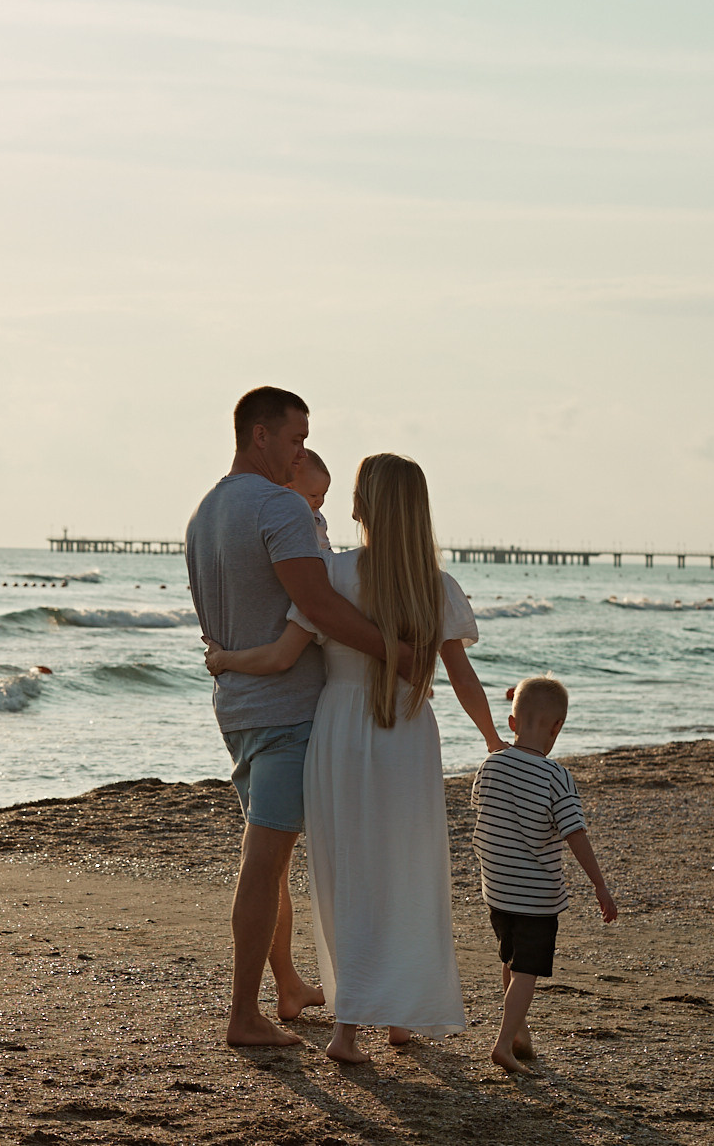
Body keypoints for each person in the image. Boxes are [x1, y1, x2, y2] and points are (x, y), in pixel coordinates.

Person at [205, 452, 506, 1063]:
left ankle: (348, 1029)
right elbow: (464, 677)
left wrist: (225, 660)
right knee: (405, 874)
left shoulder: (333, 576)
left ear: (359, 506)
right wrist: (493, 740)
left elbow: (284, 656)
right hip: (407, 737)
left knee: (348, 880)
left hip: (338, 733)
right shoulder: (435, 585)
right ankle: (398, 1017)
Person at [184, 388, 408, 1049]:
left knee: (273, 860)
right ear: (260, 434)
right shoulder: (280, 505)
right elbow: (321, 606)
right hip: (284, 713)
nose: (301, 452)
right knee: (264, 860)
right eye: (295, 438)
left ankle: (283, 984)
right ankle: (242, 1014)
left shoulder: (205, 511)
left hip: (238, 708)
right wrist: (398, 652)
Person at [471, 674, 618, 1074]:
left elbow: (481, 814)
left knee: (511, 959)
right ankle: (503, 1044)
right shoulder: (555, 776)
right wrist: (599, 885)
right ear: (558, 727)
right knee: (527, 970)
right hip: (535, 896)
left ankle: (517, 1033)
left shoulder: (491, 764)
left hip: (497, 891)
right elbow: (574, 832)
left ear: (512, 722)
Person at [287, 449, 331, 545]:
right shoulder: (283, 518)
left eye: (324, 494)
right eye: (313, 495)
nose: (320, 500)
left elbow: (325, 546)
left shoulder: (318, 520)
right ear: (289, 489)